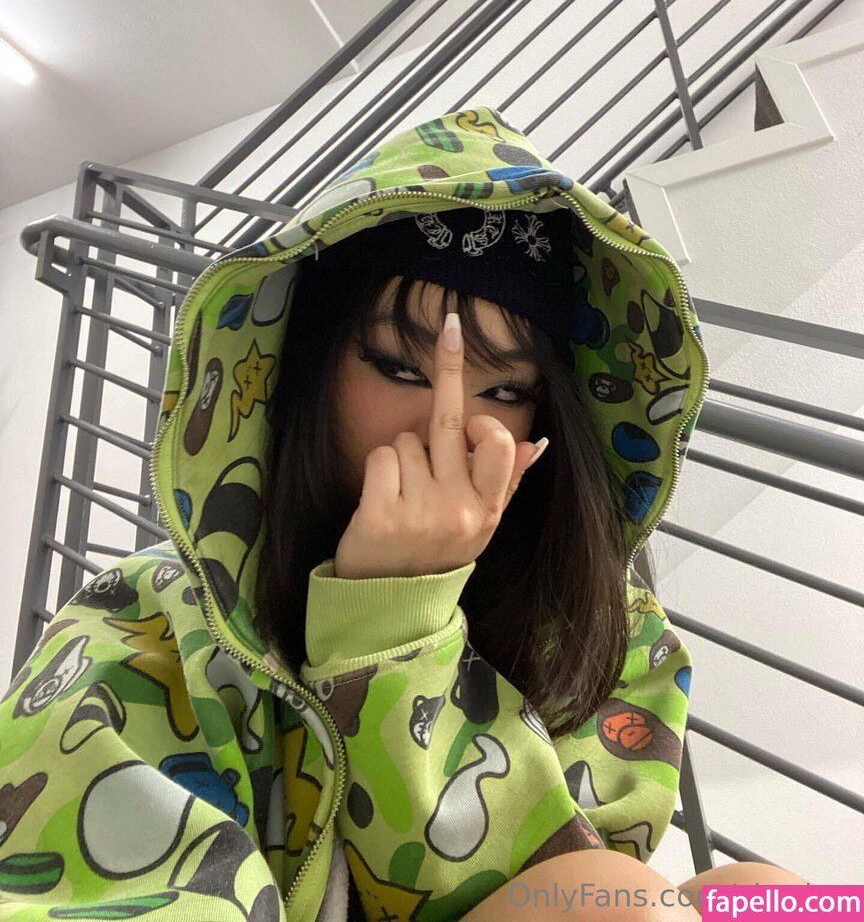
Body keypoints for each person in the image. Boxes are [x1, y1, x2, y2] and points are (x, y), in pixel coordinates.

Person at [0, 106, 805, 920]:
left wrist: (397, 628)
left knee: (778, 899)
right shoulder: (149, 616)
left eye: (506, 389)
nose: (448, 427)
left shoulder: (612, 637)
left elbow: (569, 887)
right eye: (399, 366)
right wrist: (387, 618)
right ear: (310, 364)